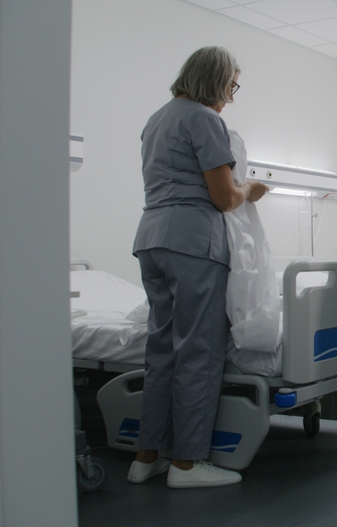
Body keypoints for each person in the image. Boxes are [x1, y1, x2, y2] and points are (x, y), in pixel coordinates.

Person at [127, 46, 268, 488]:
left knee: (162, 350)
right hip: (192, 243)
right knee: (198, 352)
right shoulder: (206, 120)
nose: (231, 95)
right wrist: (251, 189)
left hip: (152, 239)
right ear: (215, 81)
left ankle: (146, 456)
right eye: (231, 86)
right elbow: (224, 197)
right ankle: (187, 464)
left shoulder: (158, 119)